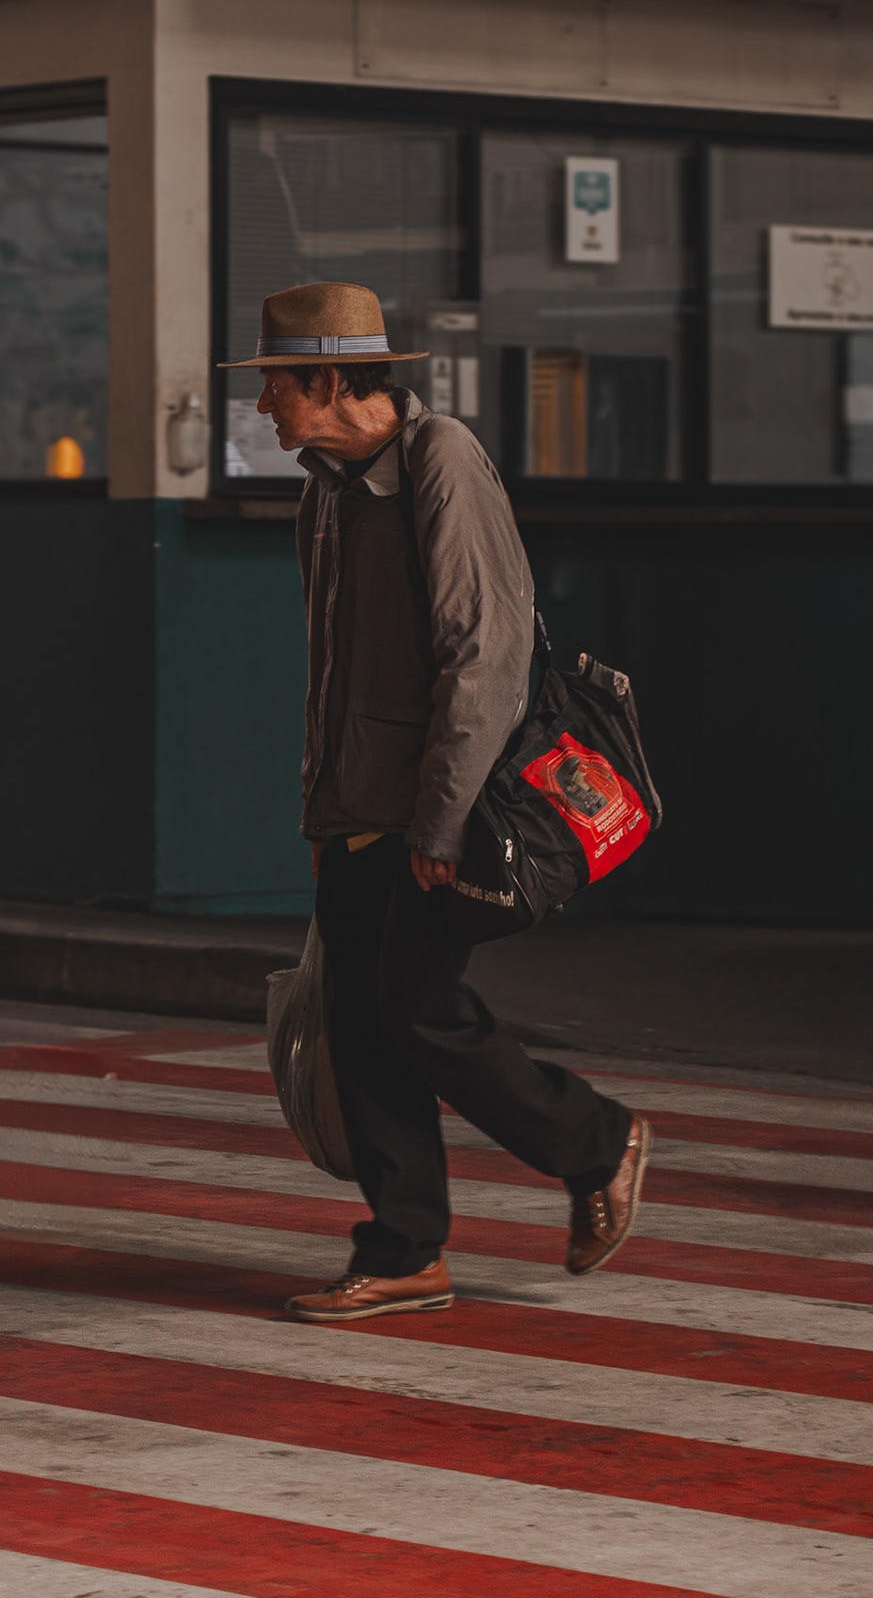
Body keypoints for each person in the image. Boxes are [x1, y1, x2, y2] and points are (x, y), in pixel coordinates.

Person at [222, 281, 651, 1324]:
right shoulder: (327, 490)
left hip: (433, 810)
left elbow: (484, 654)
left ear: (333, 382)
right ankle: (406, 1252)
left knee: (417, 1011)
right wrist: (325, 815)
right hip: (359, 809)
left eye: (277, 384)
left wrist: (444, 819)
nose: (264, 404)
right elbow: (330, 676)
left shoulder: (439, 460)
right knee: (361, 1025)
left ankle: (596, 1140)